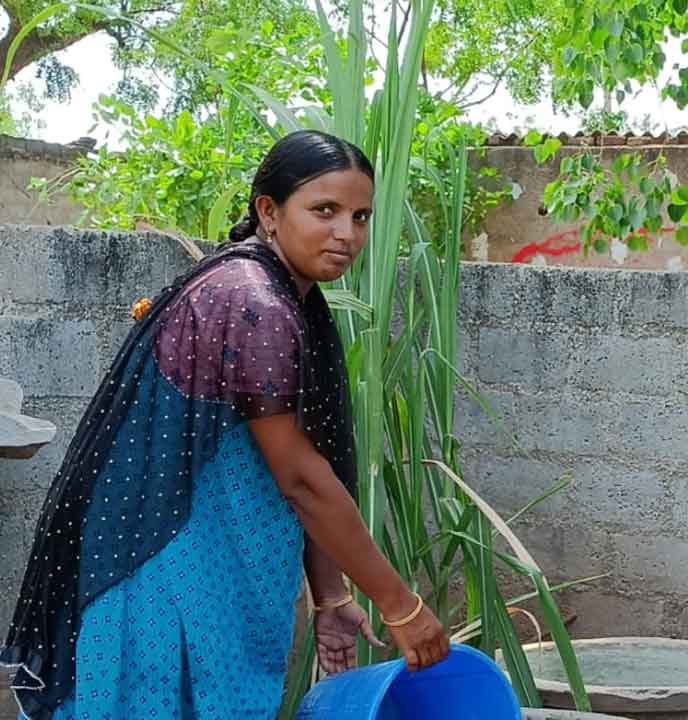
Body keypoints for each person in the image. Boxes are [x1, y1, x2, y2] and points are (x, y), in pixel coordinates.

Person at [1, 130, 449, 720]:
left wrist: (333, 594)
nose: (347, 233)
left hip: (210, 570)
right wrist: (401, 606)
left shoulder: (283, 295)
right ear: (269, 211)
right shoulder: (253, 301)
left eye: (360, 216)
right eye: (325, 211)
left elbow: (302, 454)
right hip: (163, 570)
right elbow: (302, 479)